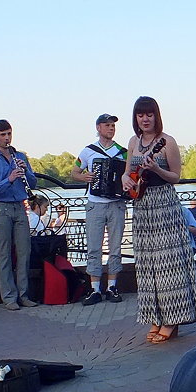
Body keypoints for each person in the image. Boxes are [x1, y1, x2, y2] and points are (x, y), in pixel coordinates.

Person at [119, 97, 196, 343]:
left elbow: (176, 176)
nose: (144, 119)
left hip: (164, 204)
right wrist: (125, 179)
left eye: (149, 115)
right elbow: (127, 171)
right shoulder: (133, 142)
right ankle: (155, 317)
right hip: (142, 207)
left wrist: (156, 169)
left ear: (156, 116)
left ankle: (172, 319)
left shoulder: (168, 142)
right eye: (140, 115)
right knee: (147, 264)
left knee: (168, 264)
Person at [71, 113, 128, 306]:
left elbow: (131, 174)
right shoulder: (88, 151)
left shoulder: (122, 152)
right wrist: (84, 177)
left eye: (113, 125)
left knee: (115, 247)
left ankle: (112, 287)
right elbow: (74, 172)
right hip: (95, 204)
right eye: (107, 125)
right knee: (94, 247)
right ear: (98, 128)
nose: (111, 128)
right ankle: (94, 289)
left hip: (116, 204)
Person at [0, 119, 38, 311]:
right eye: (3, 135)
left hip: (20, 207)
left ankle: (24, 295)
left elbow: (33, 182)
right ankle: (9, 297)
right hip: (1, 209)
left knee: (24, 252)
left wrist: (25, 172)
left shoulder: (20, 156)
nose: (7, 138)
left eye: (9, 134)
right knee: (4, 254)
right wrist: (9, 179)